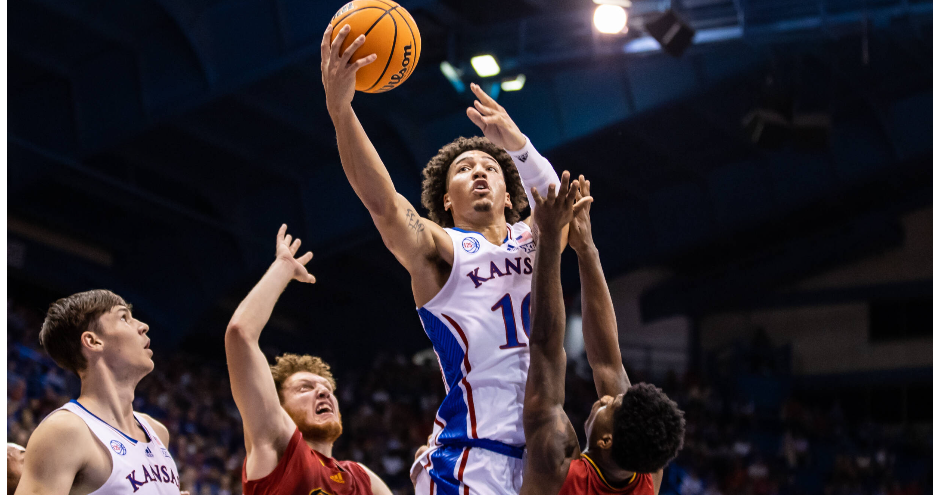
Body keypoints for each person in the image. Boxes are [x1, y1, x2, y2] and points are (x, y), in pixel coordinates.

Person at [321, 24, 565, 495]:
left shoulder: (533, 237)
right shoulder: (443, 249)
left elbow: (558, 205)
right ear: (446, 200)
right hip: (472, 456)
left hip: (544, 457)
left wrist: (517, 144)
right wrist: (341, 110)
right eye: (464, 168)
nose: (479, 172)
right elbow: (384, 204)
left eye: (490, 169)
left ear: (510, 193)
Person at [522, 176, 686, 495]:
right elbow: (608, 364)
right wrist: (586, 248)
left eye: (610, 406)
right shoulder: (646, 470)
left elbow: (545, 347)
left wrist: (551, 241)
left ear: (606, 440)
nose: (607, 396)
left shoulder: (558, 470)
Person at [225, 225, 392, 495]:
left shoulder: (363, 480)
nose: (324, 391)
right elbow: (240, 334)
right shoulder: (279, 446)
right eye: (305, 388)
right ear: (278, 406)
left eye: (327, 388)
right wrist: (283, 266)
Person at [16, 290, 183, 494]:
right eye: (124, 317)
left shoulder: (158, 432)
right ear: (93, 341)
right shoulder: (65, 431)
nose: (143, 326)